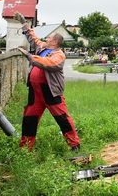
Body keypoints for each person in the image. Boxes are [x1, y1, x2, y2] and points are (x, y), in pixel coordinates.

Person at [14, 12, 80, 151]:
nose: (46, 38)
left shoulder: (59, 55)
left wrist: (30, 57)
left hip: (51, 92)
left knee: (62, 119)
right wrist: (24, 23)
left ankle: (74, 144)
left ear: (55, 42)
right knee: (29, 119)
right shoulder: (43, 47)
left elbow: (49, 64)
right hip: (35, 92)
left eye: (49, 37)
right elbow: (33, 38)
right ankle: (25, 148)